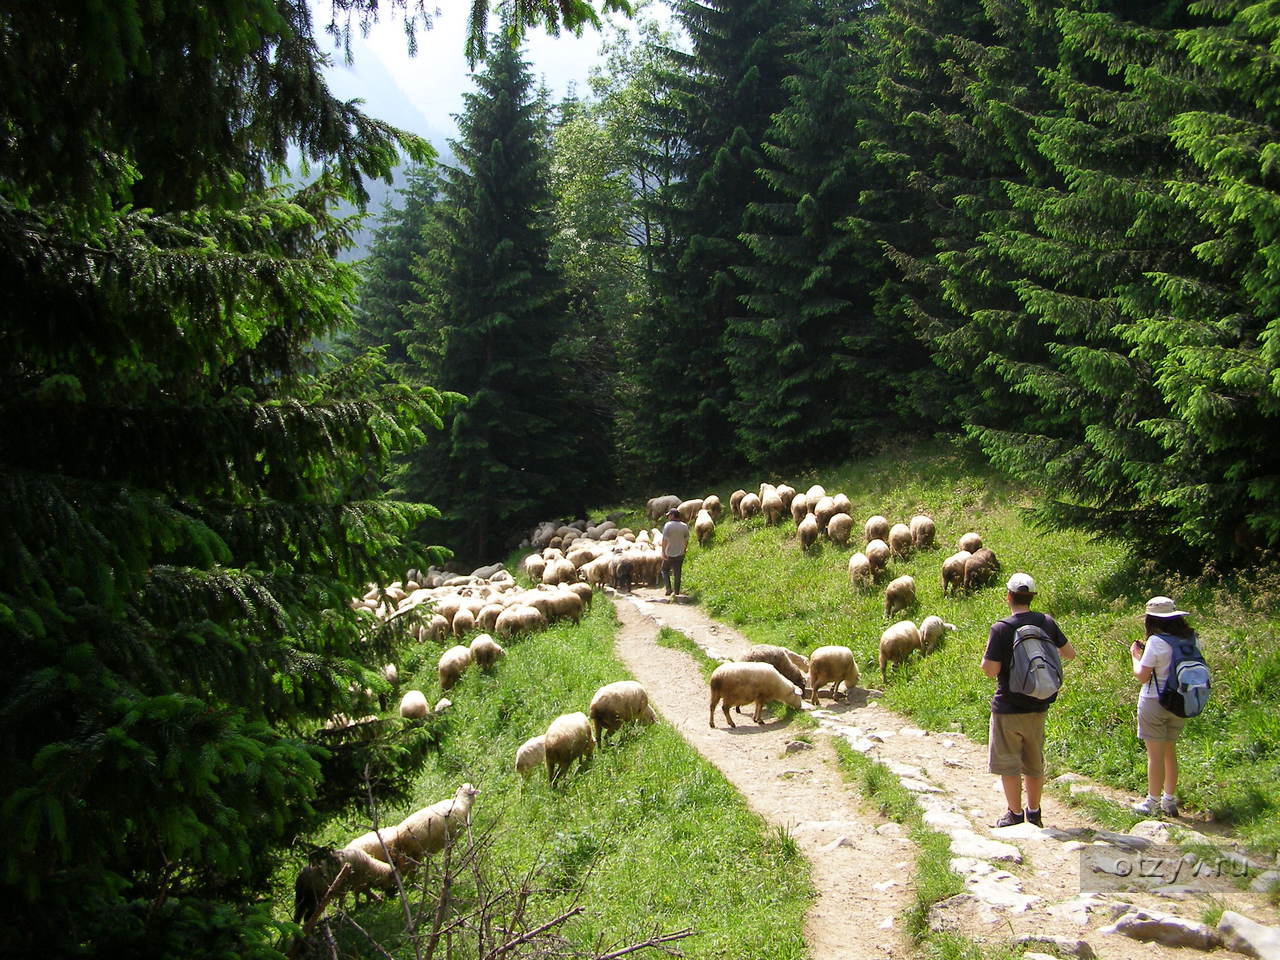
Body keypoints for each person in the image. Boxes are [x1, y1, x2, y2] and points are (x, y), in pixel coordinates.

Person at [981, 572, 1077, 828]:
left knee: (1008, 762)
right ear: (1031, 597)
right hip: (1039, 704)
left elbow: (990, 669)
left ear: (1009, 597)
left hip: (1008, 706)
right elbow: (1070, 654)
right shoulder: (1047, 622)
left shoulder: (1001, 628)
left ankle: (1014, 813)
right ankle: (1034, 812)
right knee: (1034, 761)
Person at [1129, 595, 1194, 817]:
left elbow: (1143, 676)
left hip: (1154, 702)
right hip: (1181, 702)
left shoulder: (1156, 642)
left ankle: (1152, 802)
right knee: (1169, 751)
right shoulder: (1190, 639)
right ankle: (1169, 800)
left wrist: (1135, 656)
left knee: (1154, 755)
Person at [660, 506, 690, 597]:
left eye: (669, 515)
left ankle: (668, 589)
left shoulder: (668, 525)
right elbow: (686, 540)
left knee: (664, 570)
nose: (668, 517)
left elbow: (664, 540)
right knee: (677, 572)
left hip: (669, 552)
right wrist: (684, 549)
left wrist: (663, 552)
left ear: (673, 515)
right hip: (680, 553)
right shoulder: (684, 526)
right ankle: (676, 592)